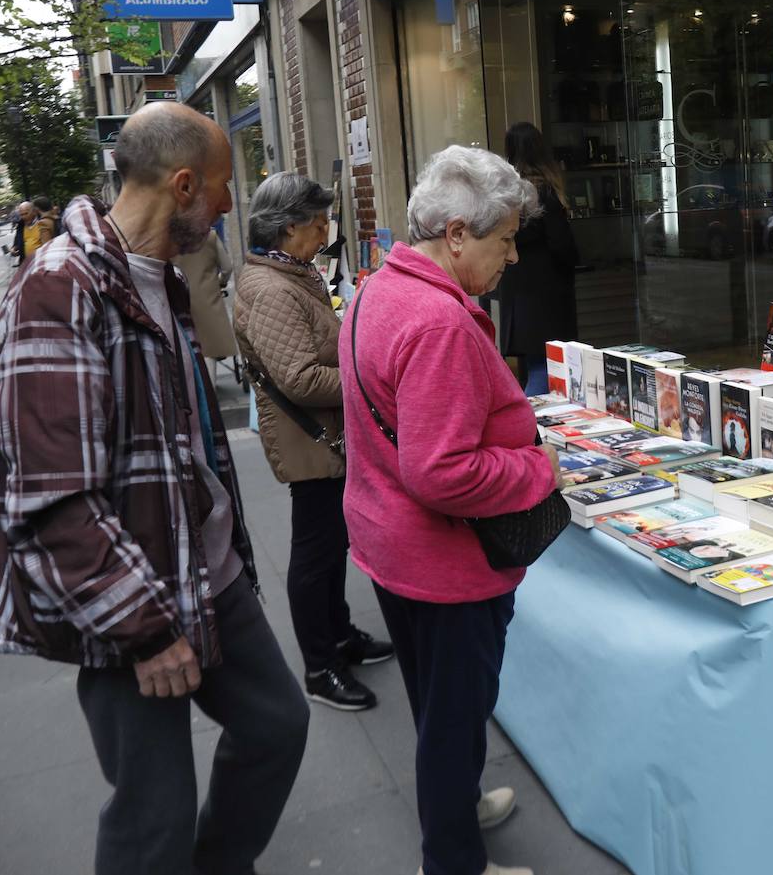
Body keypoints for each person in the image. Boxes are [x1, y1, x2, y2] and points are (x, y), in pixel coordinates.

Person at [0, 101, 309, 875]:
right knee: (154, 815)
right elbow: (54, 499)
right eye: (219, 188)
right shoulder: (59, 289)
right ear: (182, 185)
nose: (225, 205)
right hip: (130, 603)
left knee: (277, 726)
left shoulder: (157, 277)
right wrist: (144, 630)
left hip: (204, 578)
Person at [342, 145, 562, 875]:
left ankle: (457, 807)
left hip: (390, 545)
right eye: (506, 240)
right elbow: (440, 471)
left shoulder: (378, 287)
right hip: (442, 565)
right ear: (460, 233)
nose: (515, 257)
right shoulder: (438, 321)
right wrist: (536, 465)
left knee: (438, 708)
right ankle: (453, 861)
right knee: (452, 717)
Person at [234, 172, 394, 712]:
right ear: (287, 229)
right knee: (315, 552)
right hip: (312, 439)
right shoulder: (273, 288)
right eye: (318, 223)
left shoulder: (289, 273)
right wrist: (368, 377)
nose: (325, 231)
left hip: (323, 433)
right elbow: (299, 378)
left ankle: (341, 636)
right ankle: (320, 666)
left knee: (330, 547)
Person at [496, 122, 579, 395]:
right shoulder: (543, 193)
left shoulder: (505, 196)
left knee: (533, 366)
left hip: (517, 293)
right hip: (545, 296)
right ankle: (534, 430)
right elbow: (561, 244)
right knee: (545, 370)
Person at [172, 225, 238, 365]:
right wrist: (220, 282)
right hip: (208, 298)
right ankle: (211, 385)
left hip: (180, 299)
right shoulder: (210, 236)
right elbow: (227, 268)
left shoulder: (170, 239)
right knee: (210, 352)